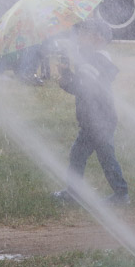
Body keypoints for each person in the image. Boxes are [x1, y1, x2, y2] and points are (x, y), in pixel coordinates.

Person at [52, 18, 130, 206]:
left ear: (98, 38)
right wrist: (67, 73)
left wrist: (66, 79)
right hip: (91, 120)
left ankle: (120, 194)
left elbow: (85, 87)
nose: (78, 36)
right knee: (81, 155)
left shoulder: (98, 59)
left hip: (100, 120)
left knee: (105, 158)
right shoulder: (90, 57)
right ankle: (76, 192)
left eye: (83, 32)